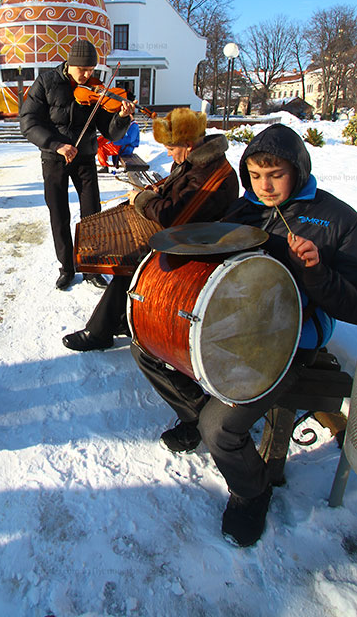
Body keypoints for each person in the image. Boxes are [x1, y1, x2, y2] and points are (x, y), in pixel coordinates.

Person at [133, 124, 357, 547]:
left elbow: (354, 305)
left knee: (221, 428)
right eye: (255, 176)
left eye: (275, 175)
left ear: (299, 169)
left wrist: (317, 273)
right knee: (146, 345)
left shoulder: (337, 219)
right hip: (232, 319)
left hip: (290, 340)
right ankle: (193, 413)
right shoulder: (244, 209)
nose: (264, 186)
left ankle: (251, 491)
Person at [63, 108, 239, 351]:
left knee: (132, 259)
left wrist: (143, 201)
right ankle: (122, 319)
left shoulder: (210, 172)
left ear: (188, 144)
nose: (167, 153)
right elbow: (179, 195)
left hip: (197, 247)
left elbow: (173, 217)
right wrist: (156, 192)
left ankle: (99, 331)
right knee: (129, 247)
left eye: (170, 147)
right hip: (187, 233)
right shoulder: (198, 161)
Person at [20, 40, 135, 289]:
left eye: (92, 70)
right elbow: (28, 122)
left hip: (84, 158)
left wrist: (122, 119)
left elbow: (110, 131)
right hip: (54, 159)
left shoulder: (96, 90)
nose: (87, 75)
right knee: (59, 213)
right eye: (83, 70)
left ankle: (91, 267)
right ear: (70, 64)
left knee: (92, 213)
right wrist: (56, 145)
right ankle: (67, 268)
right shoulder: (46, 82)